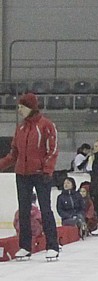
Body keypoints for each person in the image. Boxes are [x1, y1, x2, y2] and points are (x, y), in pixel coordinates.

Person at [0, 92, 60, 261]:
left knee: (46, 209)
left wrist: (47, 170)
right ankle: (25, 247)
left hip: (41, 175)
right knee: (24, 211)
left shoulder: (46, 125)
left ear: (30, 107)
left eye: (21, 107)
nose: (18, 110)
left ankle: (52, 246)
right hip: (22, 174)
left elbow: (53, 150)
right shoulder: (20, 128)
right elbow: (13, 154)